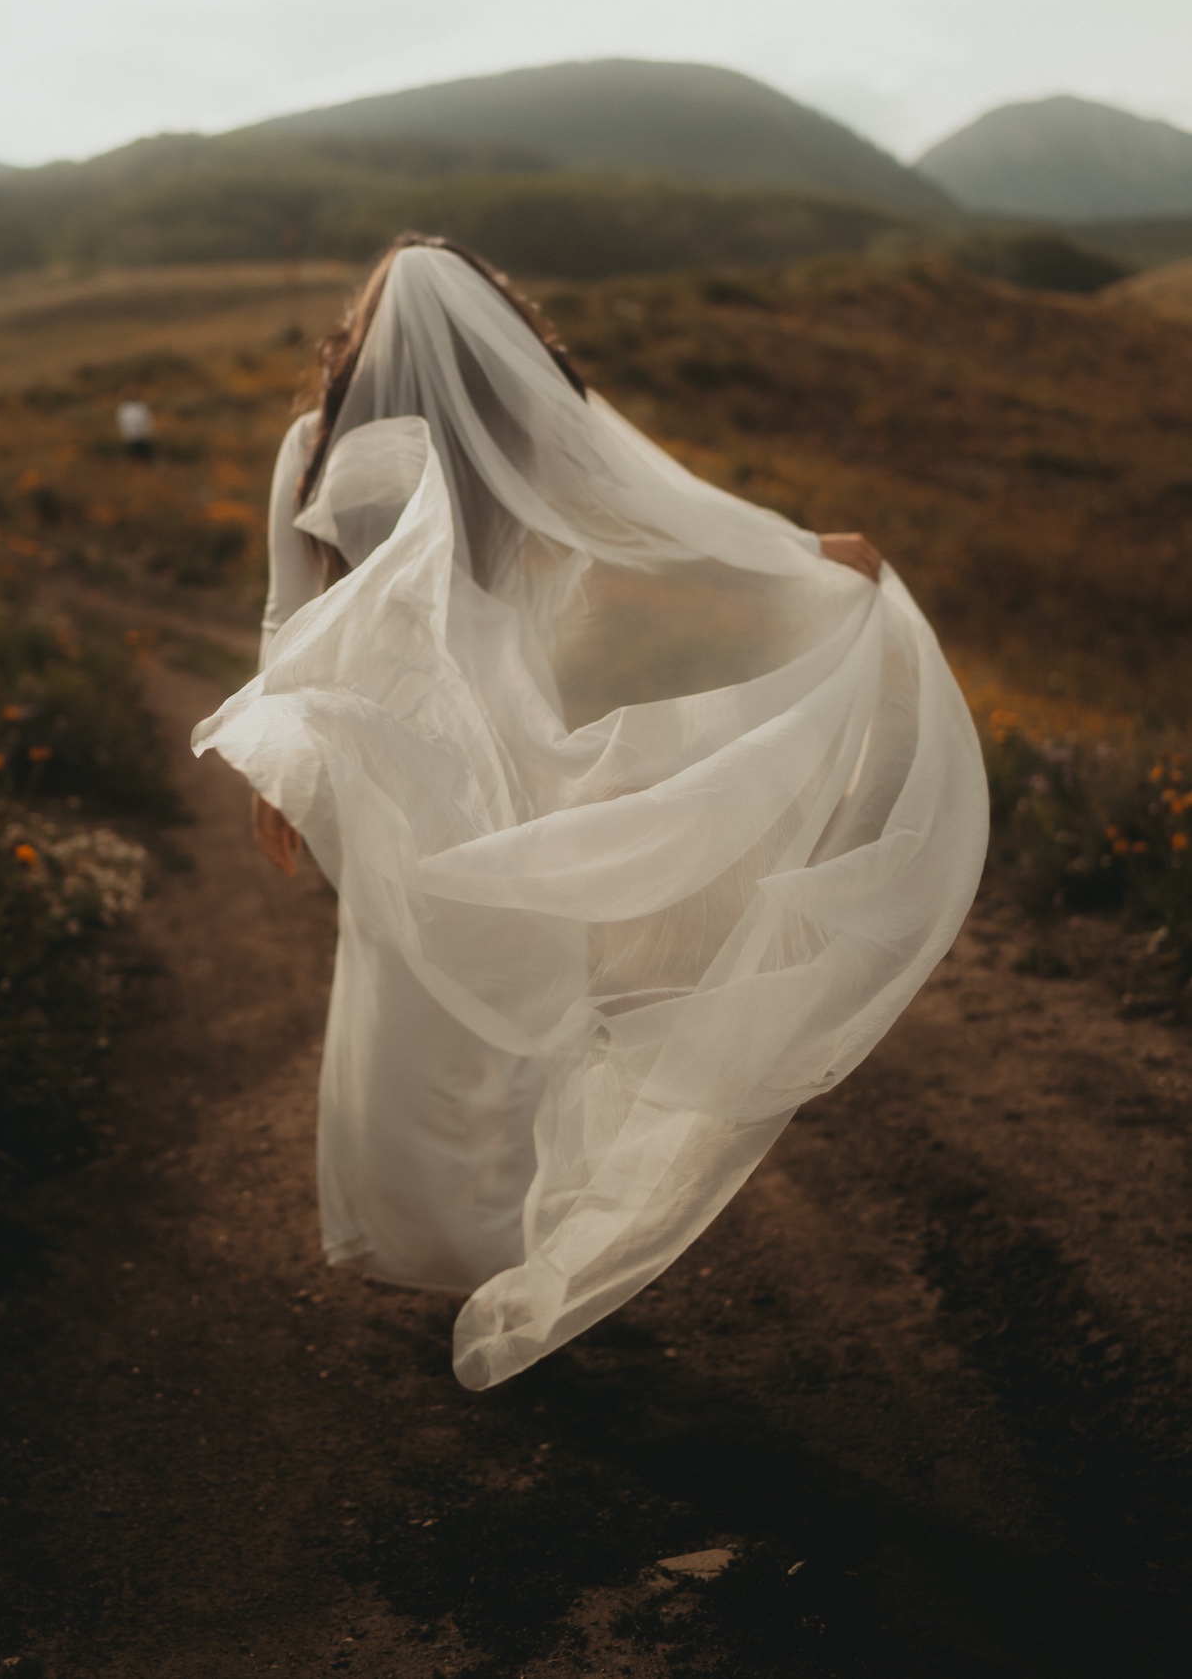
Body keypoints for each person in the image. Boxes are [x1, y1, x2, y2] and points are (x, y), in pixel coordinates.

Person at [193, 236, 987, 1390]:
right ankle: (516, 1246)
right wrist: (806, 555)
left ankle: (455, 1245)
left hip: (379, 747)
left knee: (408, 984)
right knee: (528, 977)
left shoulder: (311, 449)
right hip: (497, 734)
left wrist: (282, 767)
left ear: (363, 332)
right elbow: (660, 530)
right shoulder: (518, 431)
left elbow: (285, 610)